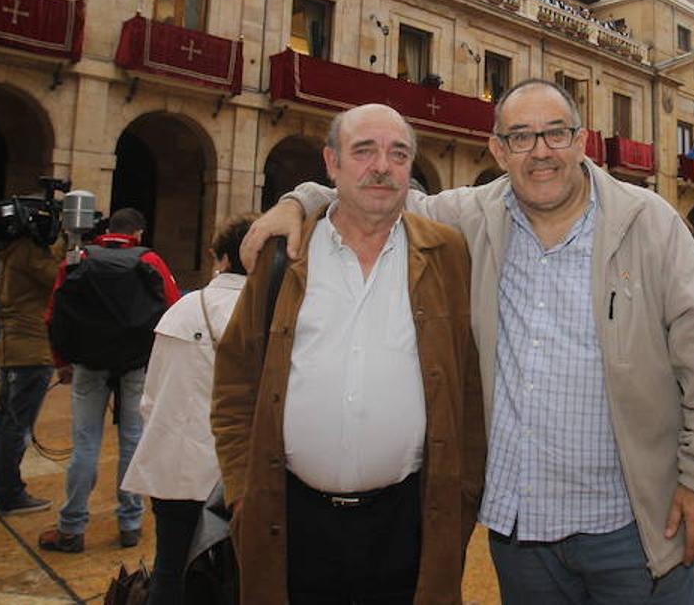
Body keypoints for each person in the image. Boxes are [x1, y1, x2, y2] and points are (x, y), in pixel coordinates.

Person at [244, 79, 694, 603]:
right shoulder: (470, 217)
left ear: (582, 142)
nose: (540, 153)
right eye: (520, 137)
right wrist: (300, 200)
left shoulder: (647, 223)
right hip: (521, 533)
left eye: (556, 134)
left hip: (631, 527)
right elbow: (377, 191)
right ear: (498, 149)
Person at [212, 105, 483, 605]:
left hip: (409, 523)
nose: (382, 165)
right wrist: (242, 492)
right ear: (332, 163)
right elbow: (234, 381)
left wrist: (463, 495)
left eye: (398, 153)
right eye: (364, 151)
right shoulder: (284, 255)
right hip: (290, 522)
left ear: (411, 169)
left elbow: (468, 387)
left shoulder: (448, 253)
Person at [123, 213, 255, 605]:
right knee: (237, 575)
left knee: (171, 570)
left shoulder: (181, 308)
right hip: (235, 474)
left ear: (223, 258)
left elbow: (151, 396)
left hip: (174, 467)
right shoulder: (269, 315)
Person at [38, 208, 180, 553]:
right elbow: (173, 310)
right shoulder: (149, 260)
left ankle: (71, 527)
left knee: (85, 444)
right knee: (132, 441)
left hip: (86, 365)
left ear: (106, 230)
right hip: (134, 367)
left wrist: (62, 363)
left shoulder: (79, 257)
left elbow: (54, 314)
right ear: (139, 234)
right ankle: (130, 524)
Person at [0, 230, 64, 515]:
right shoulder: (31, 253)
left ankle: (1, 486)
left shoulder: (8, 251)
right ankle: (9, 493)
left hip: (10, 344)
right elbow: (59, 278)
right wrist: (66, 245)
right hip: (32, 346)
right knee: (17, 423)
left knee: (4, 418)